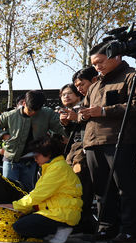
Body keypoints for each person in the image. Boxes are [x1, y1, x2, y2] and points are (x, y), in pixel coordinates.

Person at [78, 42, 136, 243]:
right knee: (101, 189)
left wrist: (105, 111)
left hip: (120, 139)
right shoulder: (95, 85)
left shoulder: (132, 76)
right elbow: (85, 109)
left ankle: (130, 230)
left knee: (126, 187)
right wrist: (75, 115)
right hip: (93, 141)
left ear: (116, 57)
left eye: (100, 62)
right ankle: (106, 227)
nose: (97, 67)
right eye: (94, 64)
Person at [0, 135, 83, 243]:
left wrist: (16, 206)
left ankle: (62, 228)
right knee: (21, 223)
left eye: (36, 155)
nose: (35, 159)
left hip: (62, 214)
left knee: (20, 226)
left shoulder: (58, 168)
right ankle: (56, 229)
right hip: (56, 211)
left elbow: (38, 194)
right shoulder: (52, 167)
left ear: (48, 153)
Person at [0, 90, 66, 191]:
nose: (33, 113)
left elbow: (61, 127)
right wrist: (4, 135)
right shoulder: (11, 115)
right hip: (11, 160)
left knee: (28, 191)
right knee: (8, 190)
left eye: (36, 111)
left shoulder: (47, 114)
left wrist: (66, 125)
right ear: (24, 103)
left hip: (31, 161)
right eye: (30, 110)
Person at [58, 83, 96, 234]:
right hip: (71, 152)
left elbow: (90, 129)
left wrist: (76, 118)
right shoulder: (66, 111)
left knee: (81, 185)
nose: (66, 97)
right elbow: (70, 134)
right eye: (63, 94)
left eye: (69, 93)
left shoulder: (85, 106)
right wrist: (65, 123)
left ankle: (83, 221)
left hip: (83, 152)